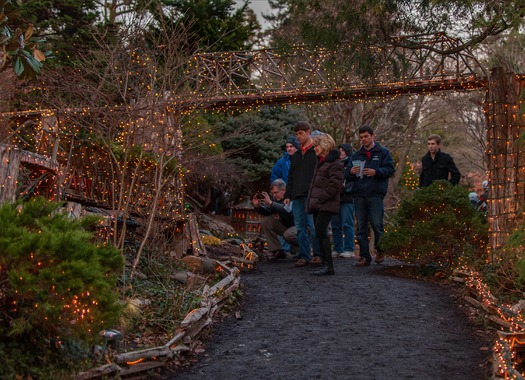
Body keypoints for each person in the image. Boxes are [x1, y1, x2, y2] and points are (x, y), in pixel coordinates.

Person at [349, 125, 395, 267]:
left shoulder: (383, 152)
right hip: (359, 194)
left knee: (376, 224)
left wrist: (377, 172)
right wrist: (350, 171)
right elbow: (347, 176)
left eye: (366, 137)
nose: (363, 139)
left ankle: (380, 250)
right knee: (361, 227)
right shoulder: (356, 155)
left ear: (372, 136)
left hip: (375, 194)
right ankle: (364, 256)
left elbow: (390, 170)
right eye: (361, 137)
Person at [284, 121, 321, 267]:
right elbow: (291, 175)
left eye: (301, 133)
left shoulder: (316, 152)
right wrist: (288, 194)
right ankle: (304, 255)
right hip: (297, 195)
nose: (298, 136)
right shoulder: (297, 155)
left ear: (308, 132)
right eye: (297, 134)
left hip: (312, 194)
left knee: (314, 227)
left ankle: (317, 254)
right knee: (300, 228)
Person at [307, 133, 343, 275]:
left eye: (316, 145)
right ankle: (325, 264)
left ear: (324, 145)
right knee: (319, 231)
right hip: (319, 203)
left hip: (326, 204)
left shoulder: (335, 163)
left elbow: (335, 186)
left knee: (321, 231)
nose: (314, 148)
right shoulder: (320, 161)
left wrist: (320, 198)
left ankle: (329, 266)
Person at [252, 179, 298, 261]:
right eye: (273, 193)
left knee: (288, 234)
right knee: (266, 221)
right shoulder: (277, 200)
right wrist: (257, 206)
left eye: (276, 192)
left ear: (284, 190)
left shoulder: (292, 197)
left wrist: (271, 203)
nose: (274, 195)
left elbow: (288, 212)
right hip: (287, 227)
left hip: (298, 227)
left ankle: (302, 251)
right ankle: (277, 251)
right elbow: (267, 211)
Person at [331, 143, 356, 259]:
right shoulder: (334, 163)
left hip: (347, 198)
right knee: (335, 225)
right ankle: (337, 248)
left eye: (343, 150)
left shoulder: (352, 164)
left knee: (347, 224)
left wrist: (346, 188)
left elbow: (356, 181)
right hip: (335, 197)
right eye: (339, 150)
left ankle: (349, 248)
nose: (341, 152)